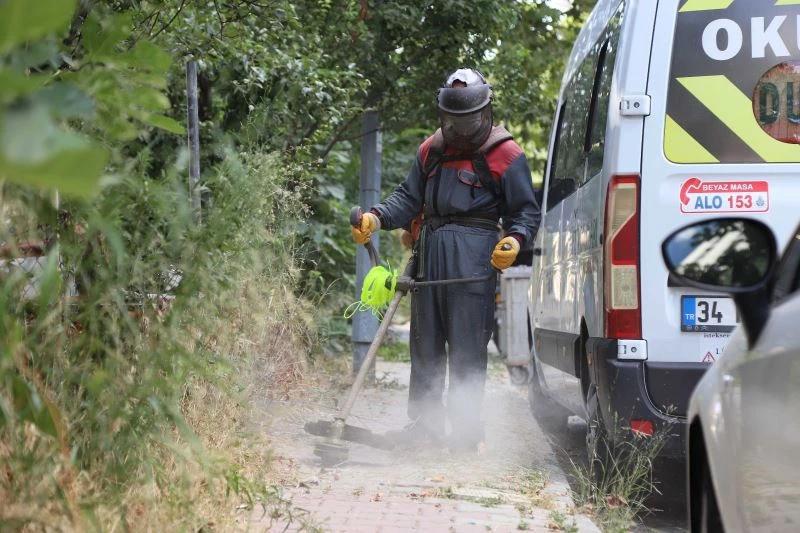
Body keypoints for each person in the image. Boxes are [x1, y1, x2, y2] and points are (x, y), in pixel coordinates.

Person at [350, 68, 541, 451]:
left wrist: (516, 241)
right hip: (429, 253)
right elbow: (408, 198)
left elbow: (526, 212)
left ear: (484, 111)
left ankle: (465, 435)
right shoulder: (431, 150)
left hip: (474, 260)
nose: (461, 127)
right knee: (425, 343)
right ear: (444, 115)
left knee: (468, 347)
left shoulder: (506, 154)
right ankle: (425, 428)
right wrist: (377, 217)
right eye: (453, 119)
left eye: (468, 118)